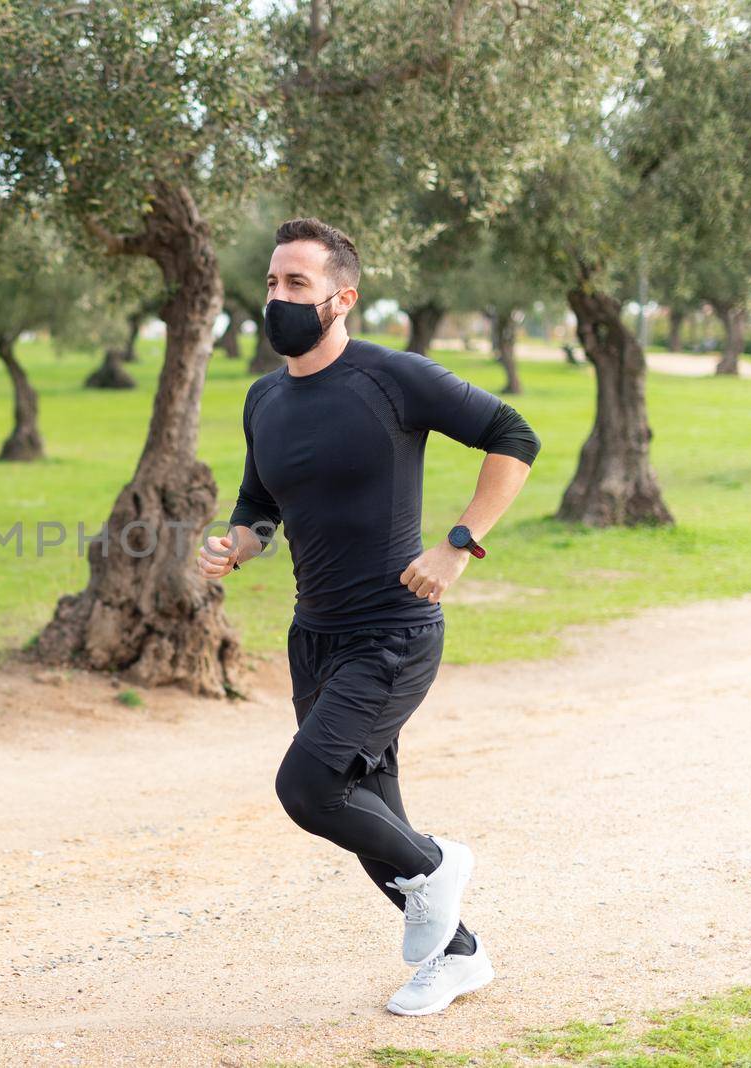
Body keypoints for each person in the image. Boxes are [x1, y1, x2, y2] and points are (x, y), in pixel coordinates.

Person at [197, 217, 541, 1017]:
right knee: (367, 810)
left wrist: (460, 544)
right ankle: (458, 956)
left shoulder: (391, 378)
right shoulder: (265, 397)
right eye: (273, 283)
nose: (278, 298)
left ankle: (438, 864)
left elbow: (511, 434)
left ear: (342, 298)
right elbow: (259, 504)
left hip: (394, 630)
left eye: (298, 285)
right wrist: (238, 545)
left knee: (310, 785)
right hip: (312, 635)